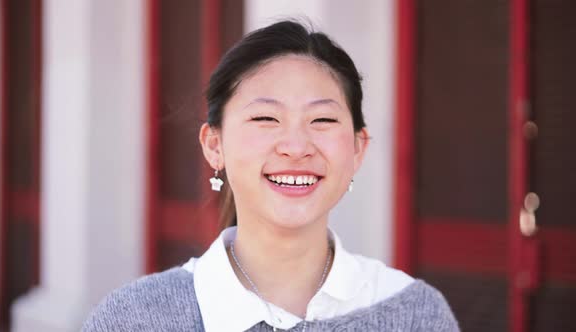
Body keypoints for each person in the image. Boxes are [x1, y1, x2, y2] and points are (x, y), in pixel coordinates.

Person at [82, 20, 459, 332]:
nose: (296, 146)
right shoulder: (133, 319)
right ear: (215, 145)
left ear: (358, 148)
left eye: (322, 120)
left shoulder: (415, 313)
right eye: (266, 118)